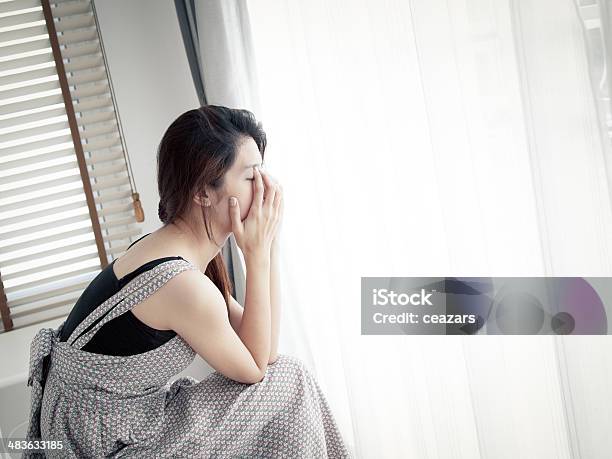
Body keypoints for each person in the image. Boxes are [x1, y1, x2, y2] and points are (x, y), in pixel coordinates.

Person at [23, 105, 352, 458]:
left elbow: (264, 348)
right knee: (290, 381)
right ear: (203, 192)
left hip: (114, 421)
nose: (265, 188)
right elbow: (256, 368)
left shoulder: (176, 252)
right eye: (250, 175)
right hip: (101, 444)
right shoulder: (182, 285)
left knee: (288, 375)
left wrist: (266, 245)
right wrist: (256, 255)